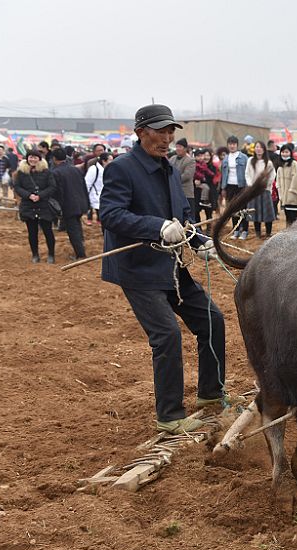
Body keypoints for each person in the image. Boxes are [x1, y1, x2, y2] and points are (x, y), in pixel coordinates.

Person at [99, 104, 224, 434]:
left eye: (170, 131)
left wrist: (199, 240)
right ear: (141, 132)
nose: (167, 138)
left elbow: (183, 215)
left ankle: (211, 395)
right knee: (167, 335)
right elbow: (110, 215)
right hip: (138, 269)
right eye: (160, 131)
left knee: (212, 320)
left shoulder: (169, 168)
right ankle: (170, 416)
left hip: (171, 265)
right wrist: (156, 226)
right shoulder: (121, 169)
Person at [12, 149, 58, 263]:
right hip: (28, 206)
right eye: (30, 157)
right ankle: (35, 254)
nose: (32, 159)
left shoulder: (46, 172)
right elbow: (17, 187)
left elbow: (52, 186)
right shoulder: (21, 172)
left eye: (35, 157)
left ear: (39, 159)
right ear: (27, 158)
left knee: (48, 231)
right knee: (32, 233)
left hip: (44, 205)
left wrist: (40, 195)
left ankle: (51, 254)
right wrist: (28, 195)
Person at [50, 147, 90, 260]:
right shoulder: (75, 169)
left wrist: (59, 208)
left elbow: (58, 192)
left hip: (68, 205)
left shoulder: (55, 172)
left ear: (54, 158)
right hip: (80, 203)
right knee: (77, 226)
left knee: (73, 230)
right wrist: (87, 203)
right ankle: (81, 246)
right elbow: (83, 187)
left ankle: (80, 254)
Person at [245, 141, 277, 237]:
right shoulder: (250, 160)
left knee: (267, 213)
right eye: (256, 147)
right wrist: (251, 185)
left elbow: (272, 175)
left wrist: (266, 184)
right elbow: (247, 174)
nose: (258, 149)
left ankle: (268, 233)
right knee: (256, 212)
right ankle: (258, 233)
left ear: (264, 149)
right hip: (254, 191)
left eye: (260, 147)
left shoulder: (268, 162)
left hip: (265, 190)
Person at [169, 138, 197, 221]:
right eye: (177, 146)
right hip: (174, 192)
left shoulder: (190, 160)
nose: (177, 149)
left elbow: (187, 176)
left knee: (189, 217)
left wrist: (172, 180)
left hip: (186, 193)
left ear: (185, 148)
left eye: (180, 147)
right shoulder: (172, 159)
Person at [276, 142, 297, 226]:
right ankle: (288, 230)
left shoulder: (294, 164)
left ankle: (294, 231)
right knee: (287, 216)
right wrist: (280, 193)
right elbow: (278, 180)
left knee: (293, 217)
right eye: (283, 152)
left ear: (290, 153)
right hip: (284, 197)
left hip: (293, 196)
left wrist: (292, 190)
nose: (284, 154)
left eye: (286, 152)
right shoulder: (280, 166)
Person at [220, 135, 247, 211]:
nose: (232, 146)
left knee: (242, 207)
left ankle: (242, 219)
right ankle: (234, 219)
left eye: (234, 144)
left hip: (241, 186)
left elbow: (248, 173)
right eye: (230, 144)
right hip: (229, 186)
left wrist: (247, 186)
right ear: (227, 145)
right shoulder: (225, 158)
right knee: (231, 208)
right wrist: (223, 188)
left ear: (237, 145)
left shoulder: (244, 157)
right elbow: (223, 175)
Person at [85, 153, 111, 223]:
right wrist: (86, 193)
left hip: (102, 193)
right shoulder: (94, 169)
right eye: (110, 160)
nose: (112, 161)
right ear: (104, 161)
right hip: (94, 192)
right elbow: (87, 182)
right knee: (92, 206)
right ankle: (90, 219)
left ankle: (99, 220)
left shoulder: (108, 169)